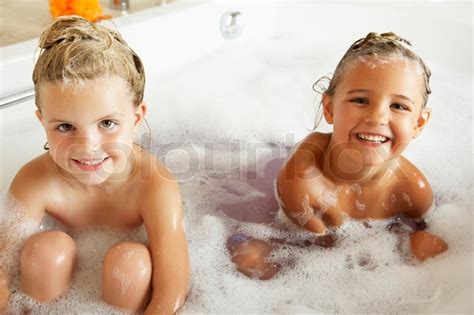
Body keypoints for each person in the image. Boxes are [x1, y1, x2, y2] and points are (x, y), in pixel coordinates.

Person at [0, 16, 189, 314]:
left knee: (130, 262)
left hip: (125, 289)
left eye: (107, 123)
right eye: (64, 127)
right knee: (45, 251)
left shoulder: (154, 184)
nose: (87, 146)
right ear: (42, 122)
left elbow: (171, 287)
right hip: (50, 288)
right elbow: (2, 268)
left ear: (137, 118)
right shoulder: (35, 181)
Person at [228, 32, 447, 280]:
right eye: (361, 100)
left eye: (398, 106)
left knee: (432, 250)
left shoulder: (413, 192)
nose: (376, 117)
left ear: (418, 123)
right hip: (307, 245)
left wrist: (408, 243)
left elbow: (425, 227)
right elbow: (317, 249)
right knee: (250, 258)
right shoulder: (302, 178)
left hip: (365, 254)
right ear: (330, 109)